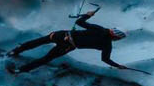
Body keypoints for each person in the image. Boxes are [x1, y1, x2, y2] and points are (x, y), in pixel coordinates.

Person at [7, 7, 135, 74]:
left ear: (113, 30)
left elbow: (79, 22)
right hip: (68, 46)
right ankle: (20, 70)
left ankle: (15, 51)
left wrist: (88, 15)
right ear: (117, 37)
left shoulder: (99, 29)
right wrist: (118, 66)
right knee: (45, 59)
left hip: (62, 35)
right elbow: (105, 59)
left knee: (38, 41)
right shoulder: (107, 45)